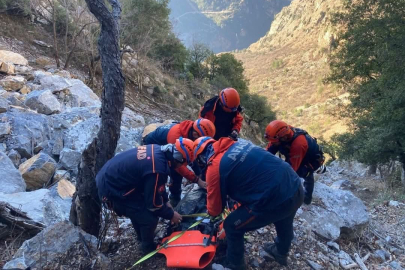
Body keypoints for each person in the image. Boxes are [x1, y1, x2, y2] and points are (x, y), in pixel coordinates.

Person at [193, 136, 304, 269]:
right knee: (285, 218)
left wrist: (211, 209)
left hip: (274, 198)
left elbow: (215, 210)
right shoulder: (237, 144)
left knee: (231, 225)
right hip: (295, 185)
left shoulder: (214, 167)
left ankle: (235, 264)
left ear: (200, 157)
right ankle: (280, 251)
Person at [96, 138, 195, 254]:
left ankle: (141, 237)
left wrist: (166, 201)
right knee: (149, 217)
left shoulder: (158, 151)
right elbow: (153, 205)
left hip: (111, 179)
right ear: (178, 158)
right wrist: (171, 214)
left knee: (141, 210)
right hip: (112, 190)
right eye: (182, 163)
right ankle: (147, 248)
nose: (180, 167)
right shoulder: (157, 169)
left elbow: (156, 185)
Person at [143, 119, 215, 205]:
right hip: (152, 145)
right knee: (175, 173)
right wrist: (196, 180)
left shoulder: (190, 130)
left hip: (164, 142)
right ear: (195, 134)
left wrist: (199, 173)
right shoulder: (176, 137)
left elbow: (192, 154)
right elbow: (179, 167)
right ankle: (174, 199)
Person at [264, 120, 325, 205]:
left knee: (303, 173)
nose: (273, 143)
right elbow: (268, 152)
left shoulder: (298, 145)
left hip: (310, 159)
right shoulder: (282, 132)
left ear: (283, 138)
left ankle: (307, 198)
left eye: (274, 141)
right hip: (294, 150)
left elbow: (291, 170)